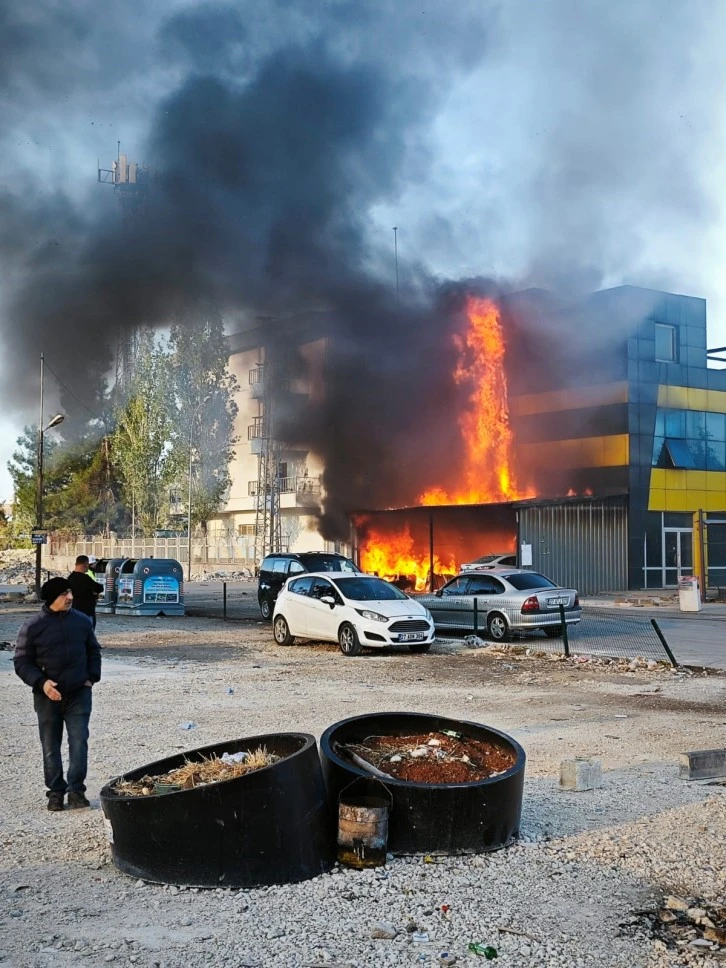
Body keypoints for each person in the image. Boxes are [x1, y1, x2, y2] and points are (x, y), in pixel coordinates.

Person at [14, 577, 102, 811]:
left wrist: (91, 678)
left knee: (79, 741)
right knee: (50, 745)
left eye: (70, 593)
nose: (70, 598)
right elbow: (22, 662)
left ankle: (76, 791)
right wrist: (41, 683)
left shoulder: (82, 622)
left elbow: (94, 651)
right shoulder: (32, 627)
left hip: (78, 695)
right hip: (47, 697)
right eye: (65, 594)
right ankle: (55, 792)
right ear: (52, 598)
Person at [67, 555, 104, 628]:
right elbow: (99, 588)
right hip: (86, 612)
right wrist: (94, 593)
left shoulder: (70, 577)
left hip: (74, 610)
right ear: (85, 564)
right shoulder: (85, 578)